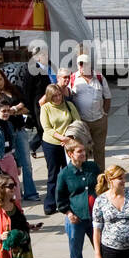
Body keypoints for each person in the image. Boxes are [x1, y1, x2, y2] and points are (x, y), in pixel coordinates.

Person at [55, 141, 109, 258]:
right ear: (70, 154)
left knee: (101, 248)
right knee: (75, 251)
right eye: (79, 151)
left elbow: (102, 186)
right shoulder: (65, 174)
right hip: (76, 218)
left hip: (94, 217)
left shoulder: (92, 167)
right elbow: (60, 198)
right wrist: (68, 213)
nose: (84, 154)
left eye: (84, 151)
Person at [0, 68, 39, 202]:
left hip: (19, 129)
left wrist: (14, 110)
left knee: (26, 163)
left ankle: (30, 192)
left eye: (0, 79)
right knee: (11, 164)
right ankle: (14, 192)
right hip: (6, 131)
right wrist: (16, 109)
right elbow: (1, 111)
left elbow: (26, 106)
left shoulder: (15, 89)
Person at [38, 83, 80, 215]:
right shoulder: (45, 108)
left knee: (68, 172)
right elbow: (47, 128)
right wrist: (61, 138)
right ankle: (50, 203)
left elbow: (77, 122)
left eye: (59, 95)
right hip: (51, 143)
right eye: (54, 96)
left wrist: (69, 137)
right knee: (53, 174)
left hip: (68, 142)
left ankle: (68, 201)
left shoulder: (69, 105)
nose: (57, 98)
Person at [69, 54, 112, 168]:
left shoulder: (99, 77)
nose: (82, 67)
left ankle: (100, 176)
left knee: (99, 151)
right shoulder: (73, 78)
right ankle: (84, 176)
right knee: (83, 151)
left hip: (99, 120)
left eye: (85, 64)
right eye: (80, 64)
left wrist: (105, 113)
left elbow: (107, 97)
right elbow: (67, 97)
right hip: (82, 122)